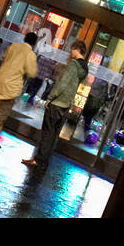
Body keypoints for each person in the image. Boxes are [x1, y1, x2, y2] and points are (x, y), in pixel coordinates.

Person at [22, 40, 88, 172]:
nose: (70, 52)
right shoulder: (84, 67)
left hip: (57, 103)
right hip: (66, 105)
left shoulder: (74, 65)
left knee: (47, 132)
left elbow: (63, 84)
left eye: (72, 49)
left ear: (76, 49)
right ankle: (44, 161)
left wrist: (50, 97)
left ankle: (38, 160)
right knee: (53, 135)